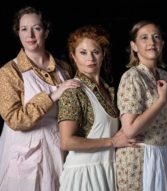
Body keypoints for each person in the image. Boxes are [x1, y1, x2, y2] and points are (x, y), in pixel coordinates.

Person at [0, 6, 80, 191]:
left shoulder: (64, 68)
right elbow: (14, 119)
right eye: (24, 29)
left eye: (36, 28)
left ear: (46, 31)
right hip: (24, 156)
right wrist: (52, 95)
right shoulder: (10, 71)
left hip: (59, 149)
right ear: (17, 32)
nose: (30, 34)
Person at [58, 25, 135, 191]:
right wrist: (113, 141)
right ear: (73, 56)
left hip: (107, 169)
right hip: (84, 175)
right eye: (83, 52)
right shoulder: (73, 91)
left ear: (103, 54)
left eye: (96, 51)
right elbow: (66, 141)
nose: (90, 58)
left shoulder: (109, 89)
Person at [116, 20, 167, 191]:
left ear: (162, 44)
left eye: (156, 37)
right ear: (134, 46)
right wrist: (161, 101)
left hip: (161, 152)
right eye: (144, 38)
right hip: (139, 156)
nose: (151, 42)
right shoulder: (132, 77)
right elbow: (130, 130)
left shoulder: (164, 75)